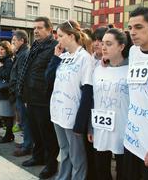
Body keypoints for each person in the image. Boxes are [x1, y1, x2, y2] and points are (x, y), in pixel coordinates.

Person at [45, 20, 94, 180]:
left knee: (76, 155)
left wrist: (81, 121)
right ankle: (63, 177)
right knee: (64, 150)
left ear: (71, 36)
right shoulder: (63, 56)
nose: (58, 39)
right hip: (57, 112)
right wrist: (55, 58)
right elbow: (48, 79)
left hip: (72, 115)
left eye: (60, 36)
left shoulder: (85, 58)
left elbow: (88, 91)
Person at [17, 17, 59, 179]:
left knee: (47, 134)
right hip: (31, 96)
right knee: (35, 131)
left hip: (44, 98)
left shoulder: (55, 47)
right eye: (34, 28)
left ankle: (51, 165)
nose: (35, 31)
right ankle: (38, 156)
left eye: (40, 28)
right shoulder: (35, 46)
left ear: (49, 30)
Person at [88, 28, 131, 180]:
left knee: (124, 172)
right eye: (102, 43)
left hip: (124, 130)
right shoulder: (98, 69)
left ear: (121, 46)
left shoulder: (132, 69)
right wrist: (90, 127)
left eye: (109, 43)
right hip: (101, 129)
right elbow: (93, 100)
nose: (103, 47)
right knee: (101, 170)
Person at [123, 7, 148, 180]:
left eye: (138, 27)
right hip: (131, 140)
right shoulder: (133, 51)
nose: (133, 33)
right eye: (130, 28)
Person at [9, 30, 33, 156]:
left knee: (26, 121)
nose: (12, 44)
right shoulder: (20, 53)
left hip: (22, 94)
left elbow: (22, 75)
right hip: (19, 92)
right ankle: (26, 143)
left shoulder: (24, 53)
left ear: (21, 41)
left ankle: (28, 146)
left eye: (14, 41)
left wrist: (18, 91)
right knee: (24, 120)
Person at [0, 41, 14, 143]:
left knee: (7, 115)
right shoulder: (1, 60)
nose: (0, 51)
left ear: (7, 50)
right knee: (4, 115)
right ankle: (9, 134)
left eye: (2, 49)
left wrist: (0, 68)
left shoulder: (8, 60)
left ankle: (8, 135)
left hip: (5, 91)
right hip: (1, 90)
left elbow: (7, 75)